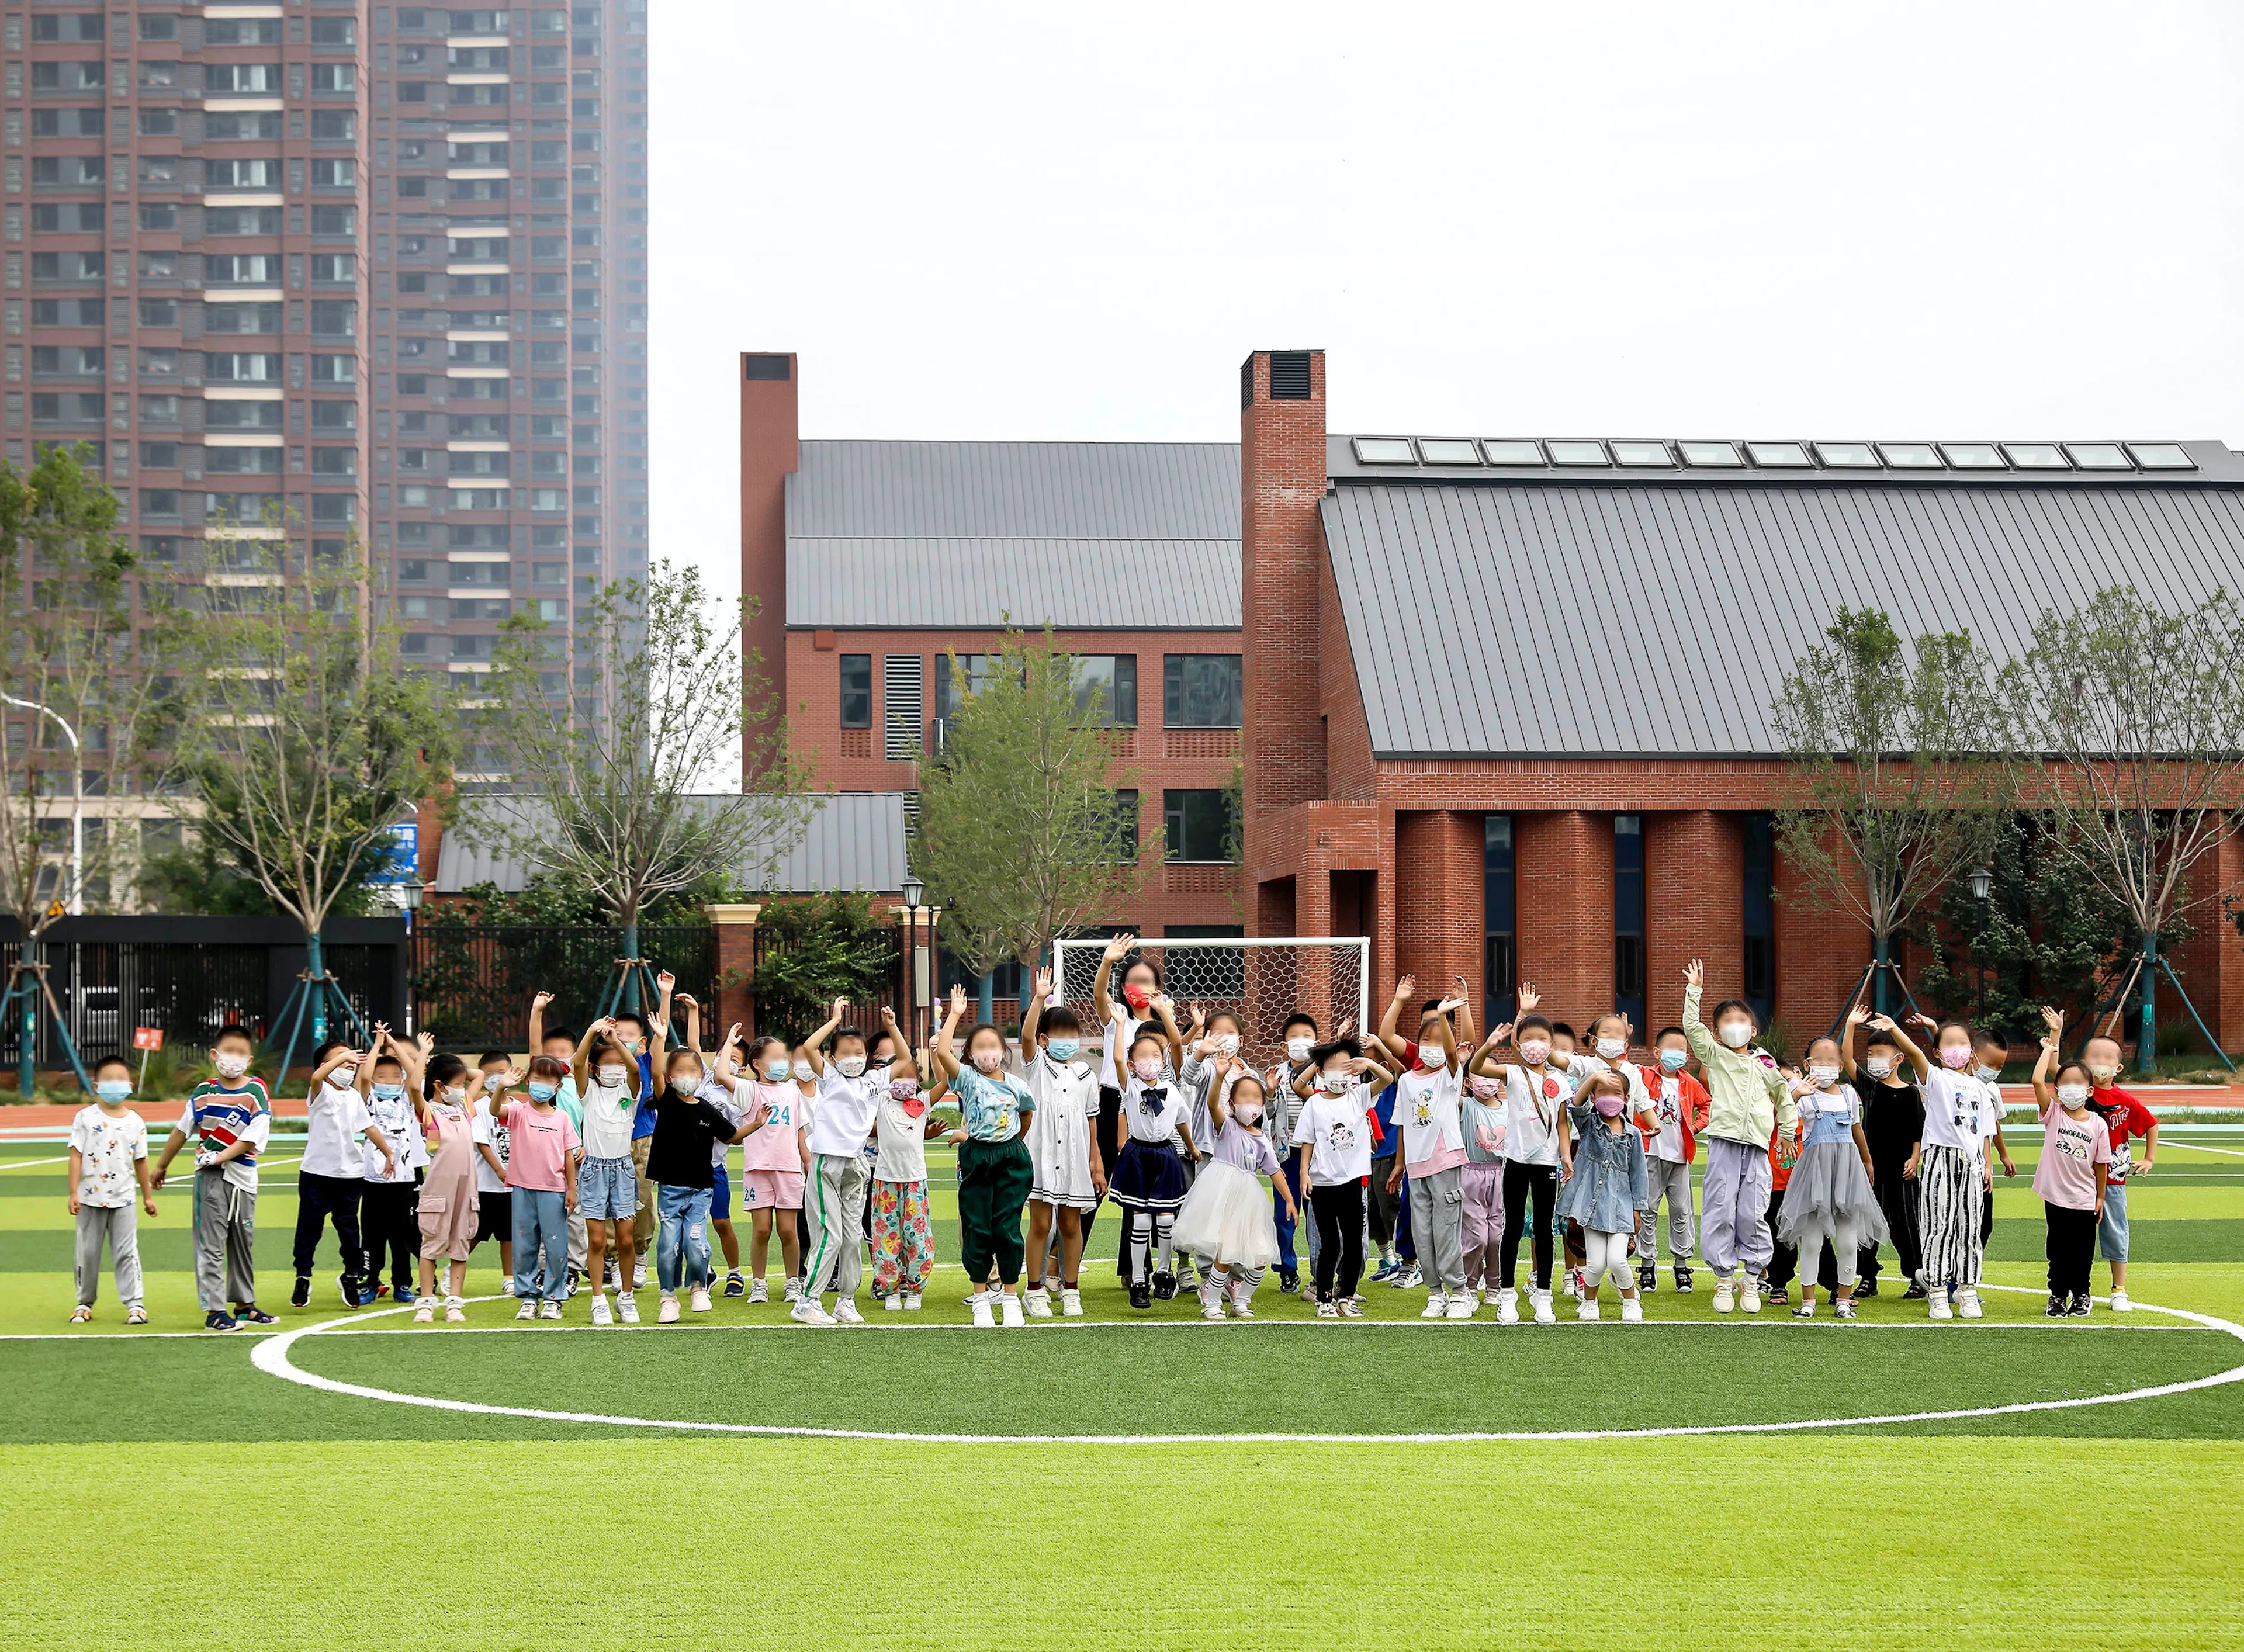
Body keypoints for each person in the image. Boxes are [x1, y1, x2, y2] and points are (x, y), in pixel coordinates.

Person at [1679, 960, 1795, 1316]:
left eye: (1741, 1021)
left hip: (1758, 1148)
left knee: (1753, 1212)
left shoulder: (1766, 1064)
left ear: (1753, 1030)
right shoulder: (1715, 1056)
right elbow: (1691, 1028)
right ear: (1717, 1032)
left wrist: (1787, 1133)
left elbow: (1784, 1097)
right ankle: (1724, 1278)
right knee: (1720, 1208)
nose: (1734, 1027)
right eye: (1727, 1022)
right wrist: (1694, 990)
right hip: (1725, 1143)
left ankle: (1753, 1275)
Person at [150, 1024, 273, 1329]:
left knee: (243, 1241)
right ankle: (215, 1311)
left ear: (250, 1059)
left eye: (241, 1053)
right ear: (215, 1055)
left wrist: (221, 1155)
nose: (234, 1058)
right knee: (211, 1244)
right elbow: (182, 1129)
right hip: (210, 1178)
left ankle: (245, 1305)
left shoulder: (255, 1091)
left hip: (242, 1176)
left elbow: (253, 1136)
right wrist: (162, 1165)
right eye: (229, 1051)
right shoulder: (204, 1092)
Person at [796, 998, 908, 1326]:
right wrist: (834, 1020)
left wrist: (891, 1026)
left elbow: (904, 1058)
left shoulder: (873, 1082)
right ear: (833, 1058)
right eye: (845, 1052)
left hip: (856, 1165)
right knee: (829, 1234)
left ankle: (846, 1300)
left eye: (859, 1052)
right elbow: (809, 1045)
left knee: (851, 1236)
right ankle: (808, 1301)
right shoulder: (829, 1077)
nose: (853, 1058)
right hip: (826, 1163)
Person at [1877, 1013, 1996, 1321]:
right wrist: (1895, 1030)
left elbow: (1985, 1131)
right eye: (1950, 1044)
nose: (1957, 1050)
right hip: (1940, 1158)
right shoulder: (1936, 1078)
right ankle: (1938, 1292)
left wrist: (1987, 1165)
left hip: (1971, 1163)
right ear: (1938, 1053)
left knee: (1969, 1228)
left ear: (1972, 1051)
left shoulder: (1980, 1088)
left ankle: (1967, 1291)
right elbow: (1915, 1054)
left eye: (1963, 1044)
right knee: (1939, 1226)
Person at [933, 985, 1038, 1328]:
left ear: (1002, 1050)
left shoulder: (1016, 1085)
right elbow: (944, 1051)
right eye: (979, 1047)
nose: (987, 1052)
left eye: (992, 1045)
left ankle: (1010, 1297)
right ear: (970, 1055)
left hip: (1011, 1159)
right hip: (977, 1157)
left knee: (1007, 1227)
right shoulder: (965, 1079)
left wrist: (1014, 1143)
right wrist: (955, 1015)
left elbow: (1026, 1116)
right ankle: (981, 1298)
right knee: (977, 1227)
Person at [642, 1038, 765, 1323]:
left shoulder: (708, 1110)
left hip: (701, 1190)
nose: (687, 1077)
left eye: (692, 1071)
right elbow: (656, 1071)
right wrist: (660, 1038)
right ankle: (668, 1296)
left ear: (702, 1075)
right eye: (680, 1072)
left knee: (695, 1243)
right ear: (671, 1078)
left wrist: (756, 1124)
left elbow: (731, 1136)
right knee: (668, 1245)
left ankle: (698, 1287)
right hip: (671, 1190)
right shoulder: (668, 1102)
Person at [1376, 975, 1477, 1319]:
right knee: (1422, 1233)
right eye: (1426, 1040)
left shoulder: (1449, 1076)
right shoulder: (1406, 1080)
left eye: (1439, 1038)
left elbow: (1453, 1051)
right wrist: (1400, 1164)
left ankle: (1460, 1291)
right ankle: (1436, 1293)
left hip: (1445, 1161)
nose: (1432, 1046)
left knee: (1447, 1230)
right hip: (1416, 1168)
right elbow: (1403, 1124)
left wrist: (1452, 1012)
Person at [1466, 991, 1569, 1327]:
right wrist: (1492, 1041)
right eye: (1528, 1039)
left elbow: (1564, 1121)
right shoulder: (1512, 1073)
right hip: (1515, 1159)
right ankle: (1506, 1296)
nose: (1535, 1045)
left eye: (1542, 1039)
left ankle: (1544, 1296)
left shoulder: (1558, 1081)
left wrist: (1565, 1156)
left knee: (1544, 1229)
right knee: (1511, 1227)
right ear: (1519, 1044)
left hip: (1546, 1162)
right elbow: (1477, 1066)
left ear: (1552, 1044)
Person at [1772, 1039, 1886, 1320]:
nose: (1825, 1066)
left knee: (1848, 1240)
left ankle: (1844, 1300)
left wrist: (1867, 1160)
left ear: (1840, 1064)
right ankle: (1808, 1300)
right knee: (1811, 1241)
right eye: (1818, 1061)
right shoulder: (1804, 1096)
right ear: (1807, 1064)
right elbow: (1779, 1118)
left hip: (1847, 1172)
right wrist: (1797, 1093)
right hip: (1814, 1173)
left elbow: (1856, 1129)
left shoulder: (1849, 1094)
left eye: (1831, 1061)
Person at [1174, 1061, 1294, 1319]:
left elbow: (1275, 1171)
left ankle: (1242, 1302)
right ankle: (1213, 1303)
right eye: (1244, 1096)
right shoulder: (1227, 1127)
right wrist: (1218, 1076)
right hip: (1225, 1192)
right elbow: (1211, 1104)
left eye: (1255, 1097)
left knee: (1260, 1254)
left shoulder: (1262, 1139)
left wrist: (1290, 1200)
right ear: (1233, 1103)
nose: (1250, 1102)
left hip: (1250, 1200)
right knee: (1226, 1252)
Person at [1289, 1038, 1393, 1318]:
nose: (1341, 1075)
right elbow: (1307, 1142)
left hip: (1352, 1184)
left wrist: (1369, 1062)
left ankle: (1346, 1296)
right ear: (1321, 1072)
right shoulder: (1314, 1104)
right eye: (1333, 1069)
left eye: (1347, 1068)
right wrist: (1303, 1174)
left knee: (1354, 1241)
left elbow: (1388, 1078)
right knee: (1329, 1244)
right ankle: (1324, 1298)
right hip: (1322, 1185)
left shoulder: (1359, 1097)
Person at [1021, 970, 1103, 1318]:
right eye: (1059, 1035)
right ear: (1044, 1040)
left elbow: (1091, 1120)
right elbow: (1025, 1036)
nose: (1067, 1040)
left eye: (1073, 1035)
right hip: (1041, 1157)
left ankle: (1071, 1289)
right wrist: (1039, 998)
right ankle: (1034, 1290)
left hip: (1074, 1158)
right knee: (1041, 1225)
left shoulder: (1086, 1074)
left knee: (1071, 1225)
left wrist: (1095, 1161)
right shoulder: (1037, 1066)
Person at [1088, 934, 1171, 1279]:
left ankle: (1134, 1269)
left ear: (1157, 989)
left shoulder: (1161, 1026)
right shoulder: (1117, 1017)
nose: (1140, 987)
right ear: (1123, 988)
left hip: (1149, 1105)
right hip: (1111, 1101)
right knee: (1095, 1182)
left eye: (1147, 982)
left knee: (1141, 1190)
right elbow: (1098, 996)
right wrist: (1108, 961)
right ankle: (1058, 1263)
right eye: (1133, 981)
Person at [292, 1039, 393, 1310]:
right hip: (316, 1173)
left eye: (351, 1061)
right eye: (341, 1059)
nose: (348, 1064)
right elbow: (315, 1076)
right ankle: (303, 1276)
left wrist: (388, 1153)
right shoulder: (320, 1091)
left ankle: (350, 1276)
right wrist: (344, 1056)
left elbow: (368, 1127)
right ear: (327, 1066)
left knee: (349, 1231)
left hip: (350, 1175)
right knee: (309, 1228)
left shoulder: (353, 1096)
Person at [1107, 999, 1194, 1310]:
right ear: (1133, 1065)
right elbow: (1117, 1060)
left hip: (1166, 1156)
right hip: (1138, 1155)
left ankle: (1164, 1272)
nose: (1149, 1061)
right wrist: (1119, 1025)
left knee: (1167, 1219)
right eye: (1141, 1057)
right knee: (1140, 1220)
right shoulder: (1130, 1087)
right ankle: (1139, 1280)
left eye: (1155, 1056)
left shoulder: (1172, 1089)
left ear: (1163, 1060)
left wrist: (1192, 1146)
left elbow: (1182, 1119)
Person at [1841, 1005, 1926, 1299]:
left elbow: (1918, 1132)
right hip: (1871, 1167)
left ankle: (1917, 1275)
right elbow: (1847, 1059)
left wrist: (1915, 1159)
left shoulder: (1911, 1092)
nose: (1873, 1060)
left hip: (1902, 1169)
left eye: (1880, 1055)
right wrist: (1851, 1025)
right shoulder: (1869, 1087)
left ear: (1898, 1058)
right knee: (1866, 1223)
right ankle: (1868, 1276)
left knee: (1907, 1223)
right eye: (1872, 1055)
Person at [2032, 1008, 2113, 1317]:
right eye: (2065, 1083)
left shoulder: (2097, 1125)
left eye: (2078, 1083)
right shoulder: (2054, 1114)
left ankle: (2082, 1294)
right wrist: (2050, 1048)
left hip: (2084, 1199)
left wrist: (2101, 1196)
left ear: (2090, 1090)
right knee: (2058, 1251)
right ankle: (2057, 1295)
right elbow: (2038, 1080)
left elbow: (2101, 1164)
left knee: (2083, 1252)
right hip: (2056, 1198)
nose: (2071, 1088)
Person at [68, 1057, 157, 1325]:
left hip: (125, 1199)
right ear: (96, 1086)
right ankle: (84, 1303)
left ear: (130, 1085)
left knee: (127, 1252)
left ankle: (135, 1305)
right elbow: (75, 1155)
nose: (115, 1085)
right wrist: (74, 1192)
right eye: (109, 1080)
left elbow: (141, 1160)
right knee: (88, 1252)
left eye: (121, 1079)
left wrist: (148, 1197)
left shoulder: (136, 1122)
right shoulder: (84, 1118)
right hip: (90, 1198)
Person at [1555, 1068, 1649, 1321]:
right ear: (1595, 1098)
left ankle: (1631, 1303)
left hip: (1620, 1209)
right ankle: (1589, 1303)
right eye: (1602, 1092)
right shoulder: (1590, 1127)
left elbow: (1639, 1174)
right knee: (1595, 1264)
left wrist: (1637, 1210)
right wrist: (1594, 1079)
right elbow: (1577, 1107)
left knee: (1618, 1261)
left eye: (1616, 1093)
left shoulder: (1633, 1135)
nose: (1610, 1098)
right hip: (1591, 1207)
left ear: (1627, 1099)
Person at [867, 1024, 948, 1314]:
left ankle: (914, 1288)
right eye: (897, 1077)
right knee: (886, 1237)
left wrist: (937, 1053)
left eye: (909, 1076)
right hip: (886, 1181)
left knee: (916, 1235)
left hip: (914, 1181)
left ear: (917, 1080)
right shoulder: (882, 1100)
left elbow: (945, 1082)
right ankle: (890, 1288)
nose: (903, 1081)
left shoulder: (922, 1102)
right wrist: (889, 1027)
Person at [493, 1053, 581, 1318]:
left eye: (548, 1080)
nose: (541, 1084)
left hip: (554, 1191)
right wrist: (501, 1087)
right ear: (528, 1080)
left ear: (558, 1087)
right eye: (537, 1078)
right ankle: (528, 1298)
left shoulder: (562, 1118)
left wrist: (572, 1188)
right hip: (522, 1189)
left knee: (556, 1247)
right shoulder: (519, 1111)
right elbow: (496, 1110)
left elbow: (569, 1154)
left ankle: (554, 1298)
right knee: (525, 1246)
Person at [571, 1016, 645, 1327]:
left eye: (619, 1064)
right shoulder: (589, 1093)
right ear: (595, 1069)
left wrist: (615, 1040)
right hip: (593, 1171)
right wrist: (591, 1032)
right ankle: (598, 1300)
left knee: (626, 1240)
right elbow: (576, 1064)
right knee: (598, 1240)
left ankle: (625, 1298)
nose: (615, 1069)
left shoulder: (629, 1093)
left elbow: (635, 1070)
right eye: (607, 1064)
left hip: (623, 1170)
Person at [2080, 1024, 2157, 1311]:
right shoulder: (2080, 1094)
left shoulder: (2124, 1100)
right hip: (2080, 1177)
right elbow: (2054, 1071)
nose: (2100, 1064)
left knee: (2116, 1231)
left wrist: (2149, 1158)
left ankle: (2119, 1289)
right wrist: (2055, 1037)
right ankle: (2079, 1287)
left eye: (2107, 1059)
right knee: (2079, 1236)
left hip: (2113, 1179)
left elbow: (2150, 1124)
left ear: (2119, 1067)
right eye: (2094, 1058)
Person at [727, 1035, 808, 1304]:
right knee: (761, 1230)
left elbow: (799, 1130)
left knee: (788, 1231)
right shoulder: (750, 1090)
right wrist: (729, 1042)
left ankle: (792, 1282)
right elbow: (720, 1075)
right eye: (775, 1058)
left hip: (788, 1169)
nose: (783, 1062)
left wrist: (807, 1162)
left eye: (784, 1056)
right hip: (758, 1168)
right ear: (758, 1064)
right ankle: (759, 1283)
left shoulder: (792, 1091)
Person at [410, 1052, 488, 1325]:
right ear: (438, 1086)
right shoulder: (429, 1111)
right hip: (438, 1192)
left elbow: (479, 1076)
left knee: (460, 1245)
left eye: (461, 1084)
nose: (462, 1088)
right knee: (431, 1245)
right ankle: (426, 1304)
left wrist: (454, 1067)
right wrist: (423, 1057)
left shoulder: (464, 1107)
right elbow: (412, 1086)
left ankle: (454, 1302)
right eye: (455, 1084)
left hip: (465, 1192)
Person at [524, 994, 592, 1289]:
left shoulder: (579, 1080)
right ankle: (545, 1267)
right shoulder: (542, 1083)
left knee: (574, 1217)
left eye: (564, 1053)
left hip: (574, 1158)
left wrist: (585, 1146)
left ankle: (574, 1268)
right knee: (544, 1217)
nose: (556, 1057)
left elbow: (588, 1120)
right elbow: (534, 1047)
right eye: (551, 1053)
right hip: (543, 1161)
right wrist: (537, 1012)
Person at [357, 1030, 429, 1305]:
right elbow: (363, 1077)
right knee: (372, 1235)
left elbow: (414, 1076)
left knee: (402, 1236)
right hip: (373, 1179)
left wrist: (396, 1047)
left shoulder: (408, 1099)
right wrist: (378, 1045)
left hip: (403, 1178)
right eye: (382, 1077)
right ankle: (370, 1282)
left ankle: (402, 1284)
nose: (388, 1081)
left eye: (394, 1077)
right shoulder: (368, 1099)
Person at [1635, 1026, 1709, 1294]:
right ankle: (1647, 1264)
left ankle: (1682, 1265)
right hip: (1650, 1153)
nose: (1679, 1055)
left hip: (1680, 1156)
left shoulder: (1689, 1082)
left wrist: (1696, 1126)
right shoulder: (1644, 1076)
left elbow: (1708, 1104)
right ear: (1657, 1052)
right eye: (1673, 1049)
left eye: (1683, 1050)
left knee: (1681, 1211)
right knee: (1649, 1210)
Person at [1266, 1012, 1322, 1294]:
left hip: (1318, 1154)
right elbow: (1267, 1115)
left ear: (1317, 1042)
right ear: (1283, 1045)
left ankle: (1320, 1269)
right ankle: (1287, 1270)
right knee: (1285, 1214)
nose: (1301, 1042)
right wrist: (1270, 1093)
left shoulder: (1324, 1071)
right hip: (1287, 1153)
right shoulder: (1277, 1072)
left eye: (1307, 1037)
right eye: (1294, 1038)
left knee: (1319, 1215)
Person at [1460, 1071, 1507, 1307]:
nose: (1484, 1082)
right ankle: (1469, 1285)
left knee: (1497, 1237)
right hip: (1470, 1173)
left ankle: (1493, 1286)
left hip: (1502, 1174)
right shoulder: (1468, 1107)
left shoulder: (1509, 1108)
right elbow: (1449, 1090)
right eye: (1477, 1075)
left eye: (1488, 1074)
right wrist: (1457, 1062)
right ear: (1468, 1082)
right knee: (1477, 1237)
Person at [470, 1059, 515, 1293]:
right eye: (490, 1074)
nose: (496, 1078)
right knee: (477, 1231)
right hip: (486, 1184)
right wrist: (499, 1170)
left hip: (514, 1185)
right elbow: (482, 1143)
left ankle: (509, 1277)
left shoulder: (519, 1106)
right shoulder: (478, 1107)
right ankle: (452, 1270)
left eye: (501, 1072)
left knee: (509, 1233)